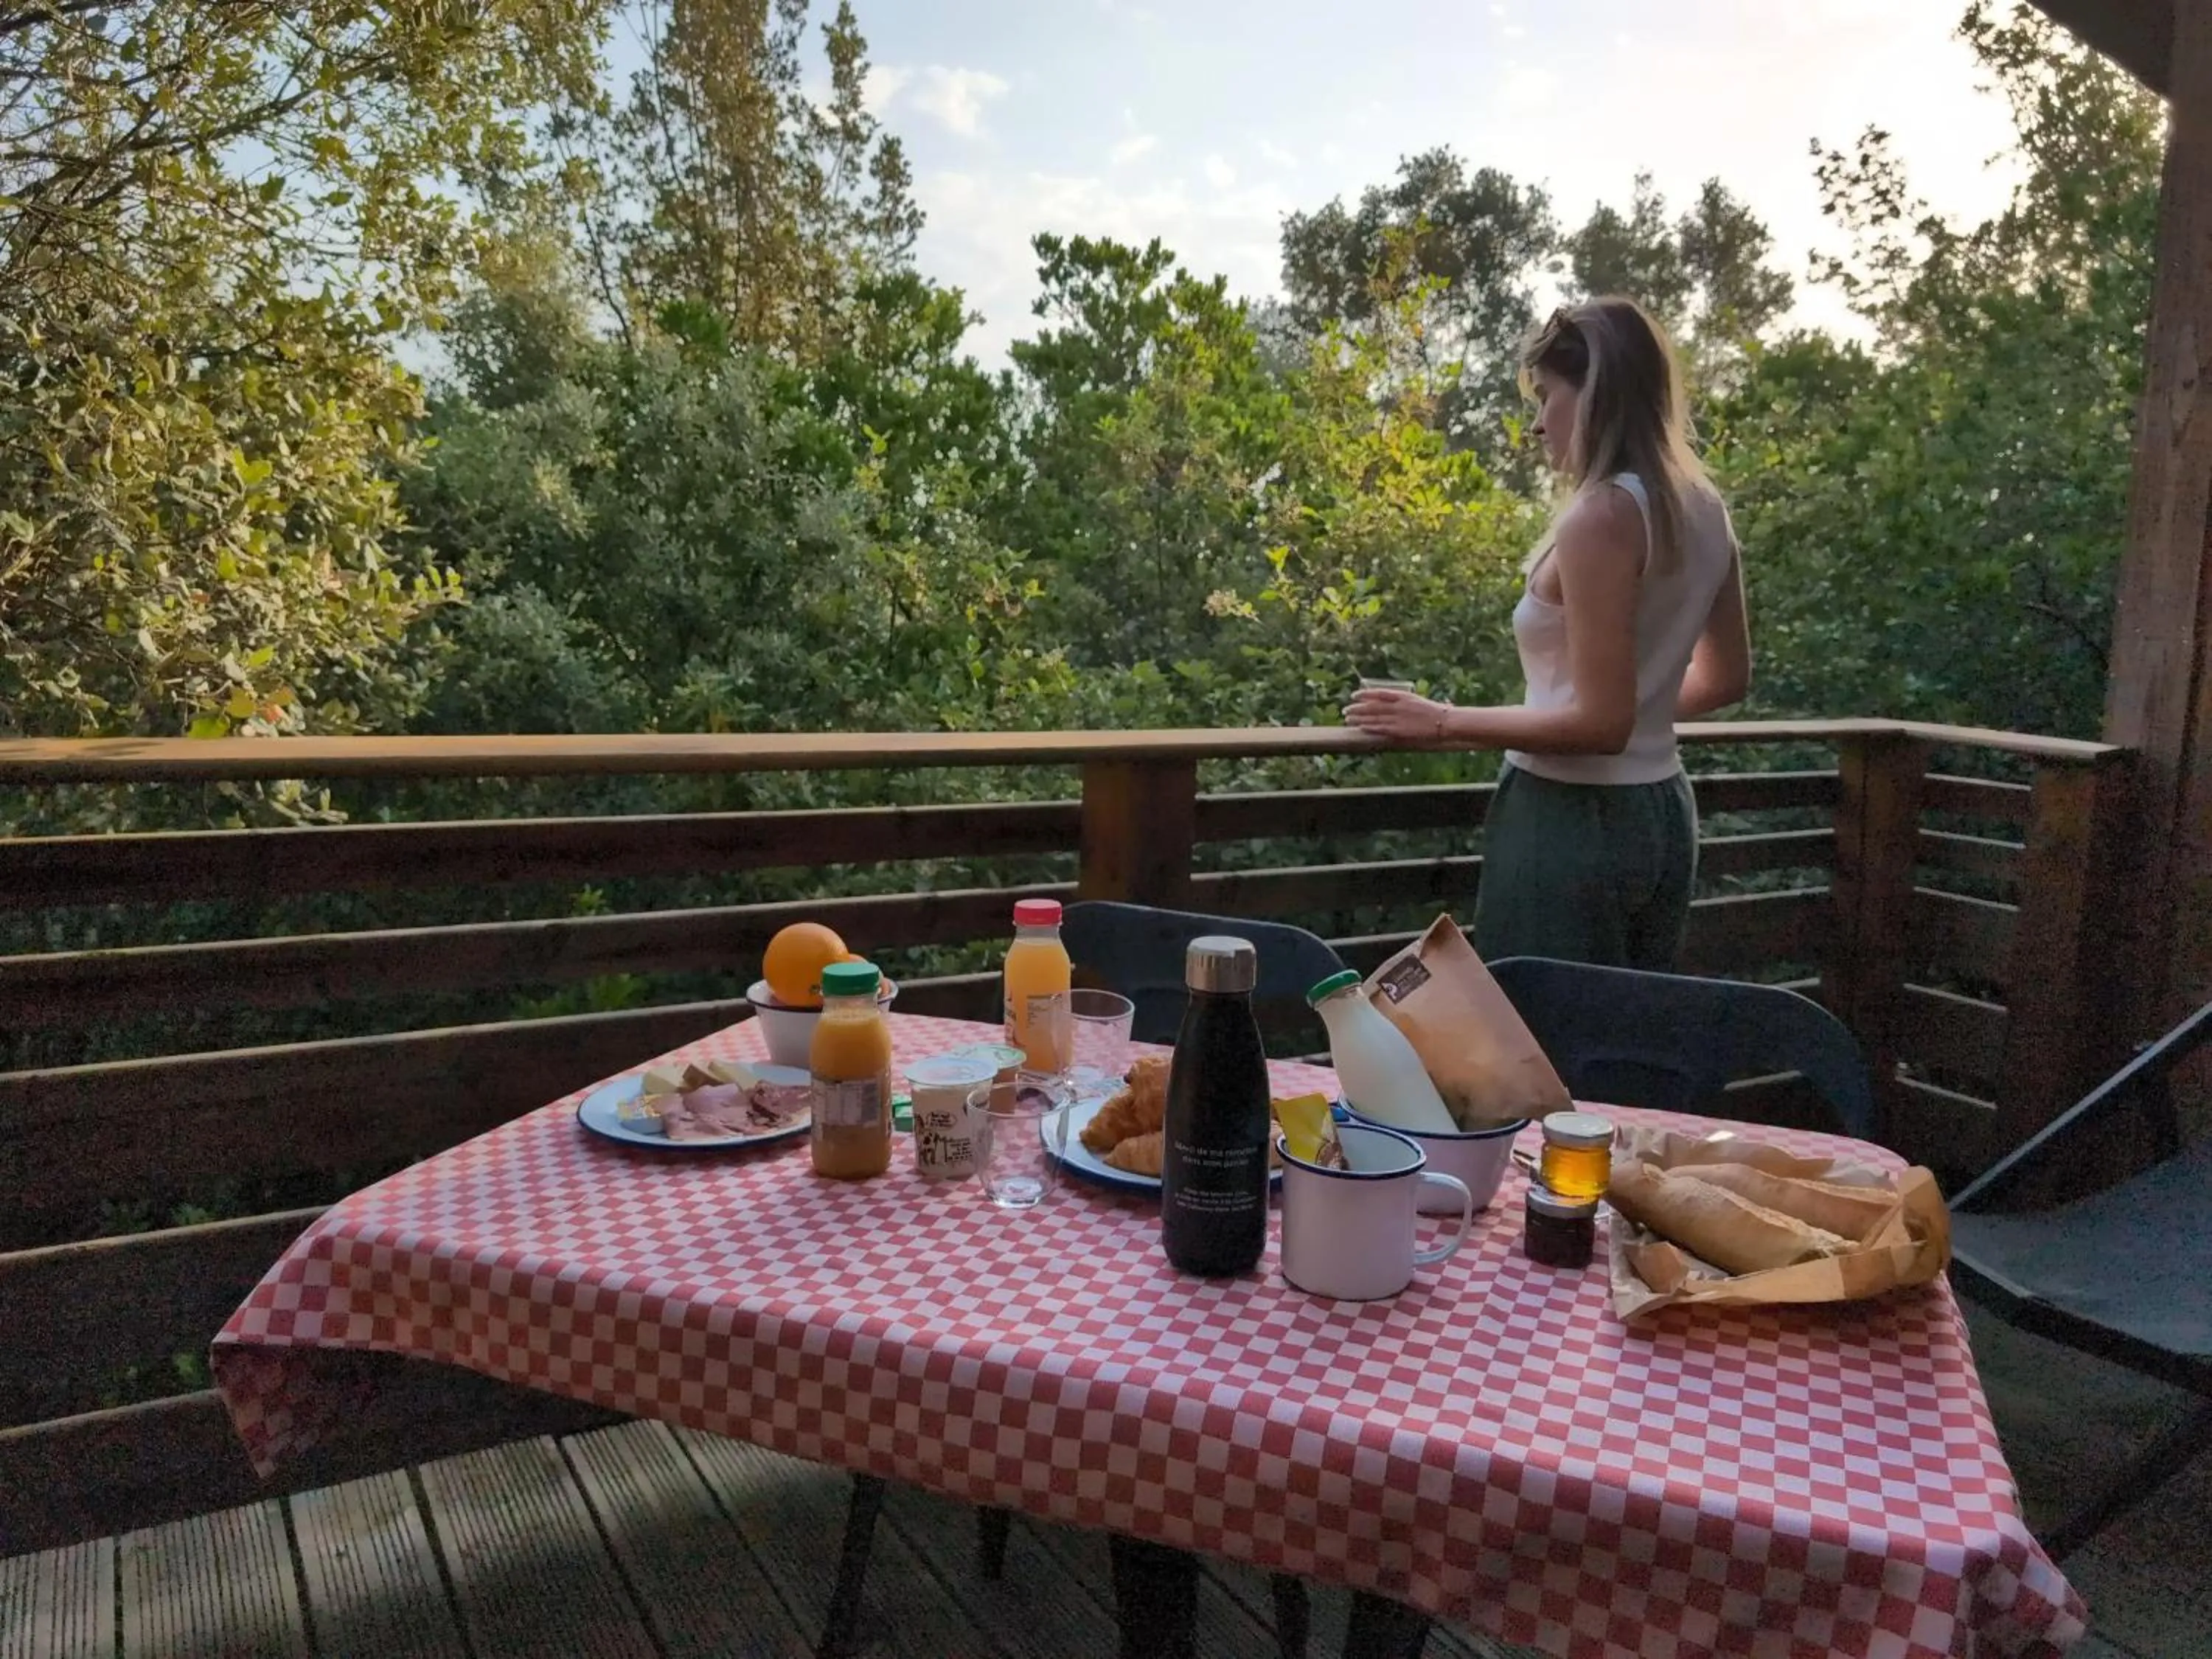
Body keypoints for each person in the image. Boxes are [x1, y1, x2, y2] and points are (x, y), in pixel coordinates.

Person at [1345, 297, 1751, 972]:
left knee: (1540, 1044)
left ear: (1592, 393)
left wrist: (1441, 721)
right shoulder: (1705, 508)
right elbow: (1727, 679)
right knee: (1622, 1043)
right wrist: (1635, 707)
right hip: (1662, 813)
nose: (1538, 425)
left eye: (1547, 397)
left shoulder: (1602, 516)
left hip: (1568, 822)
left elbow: (1599, 726)